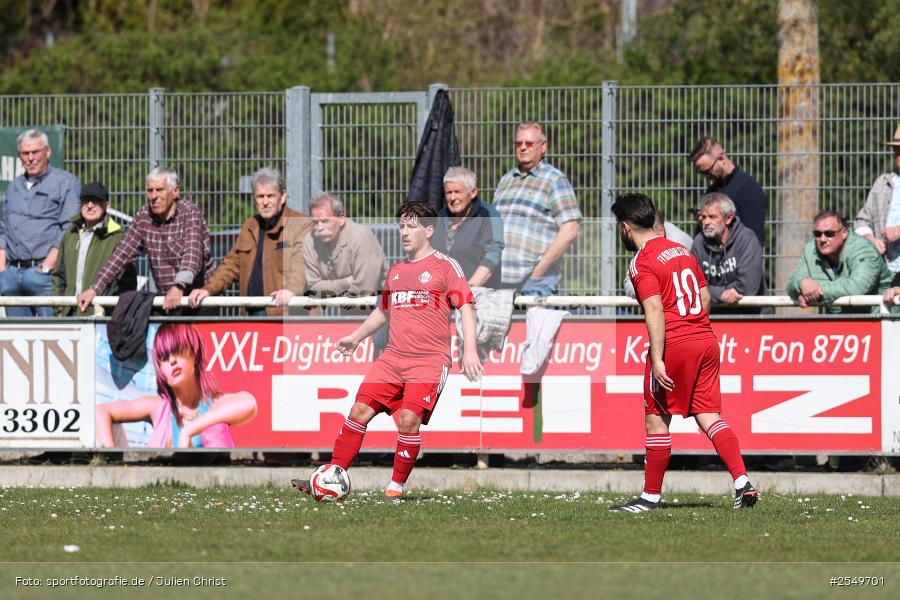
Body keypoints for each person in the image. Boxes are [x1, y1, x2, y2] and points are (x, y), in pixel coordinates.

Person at [292, 201, 482, 499]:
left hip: (429, 362)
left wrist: (469, 349)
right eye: (401, 226)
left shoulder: (445, 266)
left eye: (411, 226)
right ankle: (331, 475)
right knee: (358, 411)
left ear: (428, 231)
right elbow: (383, 311)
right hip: (392, 359)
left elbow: (466, 306)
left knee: (408, 421)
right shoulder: (396, 271)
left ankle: (395, 489)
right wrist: (356, 337)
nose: (404, 232)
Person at [609, 192, 757, 512]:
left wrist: (658, 358)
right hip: (705, 339)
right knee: (710, 416)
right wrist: (695, 329)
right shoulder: (682, 251)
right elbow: (704, 298)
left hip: (674, 343)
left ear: (625, 227)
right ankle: (742, 481)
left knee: (656, 420)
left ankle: (650, 497)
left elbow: (654, 310)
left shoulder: (641, 261)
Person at [95, 322, 257, 448]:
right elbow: (101, 411)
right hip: (161, 480)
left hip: (214, 479)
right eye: (165, 358)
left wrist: (189, 430)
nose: (172, 361)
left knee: (215, 427)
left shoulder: (215, 404)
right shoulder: (158, 407)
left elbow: (249, 403)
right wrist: (111, 463)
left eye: (177, 351)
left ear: (194, 355)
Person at [77, 167, 214, 314]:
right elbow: (121, 255)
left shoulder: (190, 213)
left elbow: (192, 254)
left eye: (159, 190)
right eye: (150, 190)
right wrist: (94, 289)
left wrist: (179, 286)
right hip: (167, 301)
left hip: (198, 299)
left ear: (175, 191)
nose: (153, 196)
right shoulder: (143, 217)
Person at [189, 167, 310, 316]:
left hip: (285, 313)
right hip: (251, 311)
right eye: (260, 196)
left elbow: (301, 264)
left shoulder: (299, 224)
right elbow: (231, 265)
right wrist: (208, 289)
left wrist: (290, 290)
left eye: (270, 196)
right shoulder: (250, 225)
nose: (265, 202)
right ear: (254, 199)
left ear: (283, 196)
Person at [493, 121, 581, 295]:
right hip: (499, 281)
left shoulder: (555, 179)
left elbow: (571, 228)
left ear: (543, 146)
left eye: (529, 143)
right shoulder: (506, 180)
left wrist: (538, 272)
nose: (522, 148)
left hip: (535, 283)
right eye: (518, 143)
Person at [0, 129, 80, 317]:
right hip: (11, 276)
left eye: (35, 152)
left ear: (48, 152)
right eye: (25, 153)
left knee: (51, 331)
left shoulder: (65, 182)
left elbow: (69, 229)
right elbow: (4, 229)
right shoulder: (13, 186)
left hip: (45, 276)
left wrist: (45, 267)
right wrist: (2, 270)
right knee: (18, 334)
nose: (30, 158)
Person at [52, 182, 137, 316]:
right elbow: (59, 276)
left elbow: (127, 283)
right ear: (80, 204)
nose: (90, 205)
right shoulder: (70, 234)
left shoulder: (117, 236)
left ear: (107, 205)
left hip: (101, 314)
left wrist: (113, 312)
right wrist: (60, 310)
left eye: (96, 201)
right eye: (86, 200)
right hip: (70, 313)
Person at [787, 210, 893, 313]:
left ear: (844, 232)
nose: (822, 239)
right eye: (817, 234)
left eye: (829, 233)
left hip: (881, 318)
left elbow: (858, 286)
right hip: (839, 321)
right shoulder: (811, 249)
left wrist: (814, 291)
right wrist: (801, 284)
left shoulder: (863, 248)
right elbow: (791, 284)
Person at [690, 193, 766, 313]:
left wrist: (709, 292)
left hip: (750, 315)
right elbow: (691, 285)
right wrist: (721, 294)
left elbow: (748, 287)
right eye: (703, 217)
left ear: (728, 218)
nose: (706, 222)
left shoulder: (747, 239)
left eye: (712, 217)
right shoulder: (699, 242)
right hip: (714, 315)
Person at [302, 193, 387, 300]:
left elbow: (364, 290)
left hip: (381, 305)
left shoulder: (360, 237)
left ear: (341, 218)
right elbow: (313, 288)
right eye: (315, 222)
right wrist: (347, 282)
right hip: (343, 305)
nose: (319, 228)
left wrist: (332, 289)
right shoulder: (310, 241)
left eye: (325, 221)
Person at [431, 166, 504, 288]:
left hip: (477, 292)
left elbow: (493, 253)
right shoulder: (440, 217)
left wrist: (469, 288)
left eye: (457, 192)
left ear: (473, 192)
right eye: (449, 192)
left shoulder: (487, 215)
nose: (452, 198)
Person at [689, 136, 766, 245]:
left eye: (708, 171)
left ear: (721, 159)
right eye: (702, 173)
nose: (706, 176)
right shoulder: (712, 191)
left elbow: (754, 239)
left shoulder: (748, 189)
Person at [853, 124, 900, 273]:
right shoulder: (882, 183)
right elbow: (862, 220)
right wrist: (869, 238)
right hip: (884, 271)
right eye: (897, 150)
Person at [624, 209, 692, 298]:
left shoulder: (677, 243)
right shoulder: (643, 240)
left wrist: (646, 287)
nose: (640, 239)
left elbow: (670, 287)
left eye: (646, 234)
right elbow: (629, 284)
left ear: (661, 231)